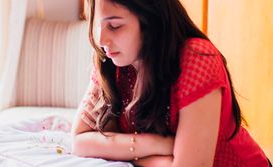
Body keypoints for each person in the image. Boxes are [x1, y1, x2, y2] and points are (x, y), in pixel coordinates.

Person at [71, 0, 272, 166]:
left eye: (115, 26)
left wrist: (125, 152)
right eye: (97, 24)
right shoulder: (113, 61)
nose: (101, 39)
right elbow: (80, 141)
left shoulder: (197, 59)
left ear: (151, 20)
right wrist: (156, 145)